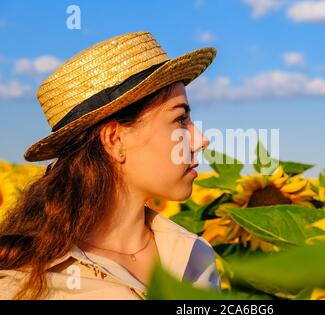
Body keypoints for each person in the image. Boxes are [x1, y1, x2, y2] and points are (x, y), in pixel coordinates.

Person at [0, 31, 221, 299]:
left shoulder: (195, 255)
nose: (201, 140)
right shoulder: (25, 284)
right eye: (180, 120)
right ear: (115, 140)